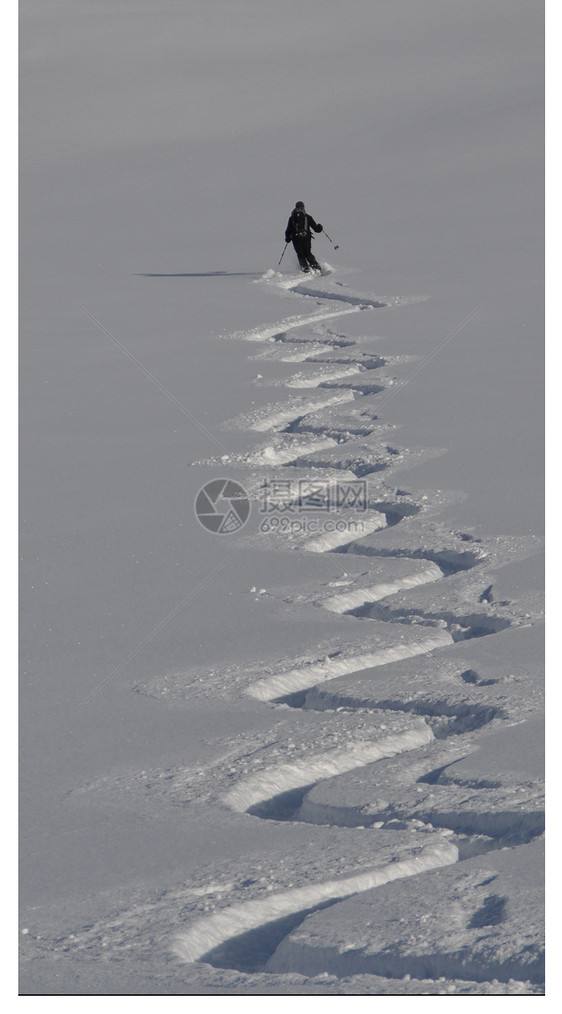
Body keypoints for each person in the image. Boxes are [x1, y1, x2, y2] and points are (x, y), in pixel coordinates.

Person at [284, 201, 323, 272]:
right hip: (306, 238)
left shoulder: (292, 218)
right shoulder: (308, 217)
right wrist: (320, 227)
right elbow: (316, 229)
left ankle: (305, 268)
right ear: (303, 208)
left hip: (296, 239)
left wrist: (287, 238)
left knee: (300, 254)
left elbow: (288, 230)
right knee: (308, 253)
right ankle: (315, 266)